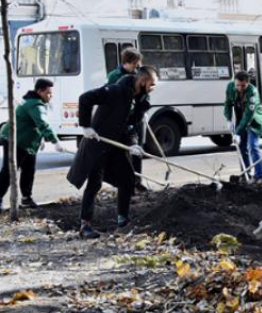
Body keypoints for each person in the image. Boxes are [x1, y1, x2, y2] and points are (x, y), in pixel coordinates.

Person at [67, 67, 157, 239]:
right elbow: (85, 98)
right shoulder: (115, 91)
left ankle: (123, 222)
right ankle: (85, 225)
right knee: (94, 183)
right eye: (152, 84)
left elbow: (131, 126)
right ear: (143, 81)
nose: (153, 88)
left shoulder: (139, 101)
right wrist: (86, 126)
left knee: (128, 179)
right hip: (98, 142)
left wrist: (133, 144)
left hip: (116, 147)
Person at [0, 78, 63, 210]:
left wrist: (39, 140)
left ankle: (26, 198)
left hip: (26, 142)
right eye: (48, 93)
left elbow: (33, 124)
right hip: (15, 140)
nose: (51, 96)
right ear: (40, 91)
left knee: (29, 170)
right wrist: (55, 141)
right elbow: (43, 124)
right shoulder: (35, 105)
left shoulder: (32, 101)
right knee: (9, 171)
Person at [106, 48, 148, 193]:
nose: (137, 67)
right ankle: (125, 183)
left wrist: (143, 108)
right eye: (135, 64)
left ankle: (137, 181)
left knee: (137, 150)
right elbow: (111, 97)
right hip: (122, 119)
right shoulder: (114, 76)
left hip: (137, 118)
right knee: (123, 151)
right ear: (127, 62)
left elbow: (145, 92)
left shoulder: (139, 74)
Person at [224, 70, 262, 182]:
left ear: (248, 83)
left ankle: (259, 176)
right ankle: (245, 174)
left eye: (243, 85)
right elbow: (228, 103)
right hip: (240, 121)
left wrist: (237, 133)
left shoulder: (253, 92)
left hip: (254, 121)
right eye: (237, 85)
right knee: (242, 148)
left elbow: (248, 115)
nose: (240, 88)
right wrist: (228, 119)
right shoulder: (230, 87)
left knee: (253, 147)